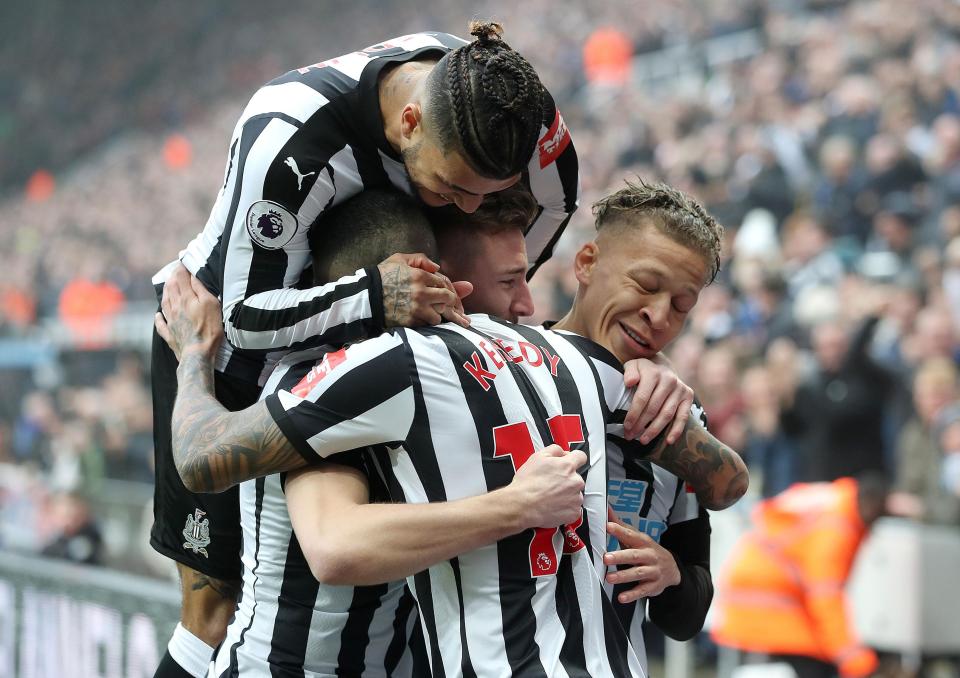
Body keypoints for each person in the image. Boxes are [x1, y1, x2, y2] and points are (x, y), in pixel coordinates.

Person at [158, 179, 748, 676]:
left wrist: (672, 574)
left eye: (682, 306)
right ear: (434, 281)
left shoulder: (593, 380)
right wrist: (517, 506)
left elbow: (725, 489)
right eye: (509, 281)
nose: (523, 305)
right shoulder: (349, 373)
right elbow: (333, 547)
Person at [149, 21, 579, 678]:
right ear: (408, 123)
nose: (464, 207)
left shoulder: (512, 112)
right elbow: (240, 318)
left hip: (394, 341)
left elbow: (548, 210)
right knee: (220, 611)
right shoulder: (291, 132)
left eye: (485, 195)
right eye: (453, 188)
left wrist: (481, 310)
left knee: (409, 607)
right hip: (232, 356)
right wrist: (375, 296)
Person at [710, 475, 888, 678]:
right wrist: (855, 659)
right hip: (772, 606)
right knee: (814, 664)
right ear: (871, 506)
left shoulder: (833, 501)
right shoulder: (837, 527)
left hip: (755, 594)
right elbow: (826, 597)